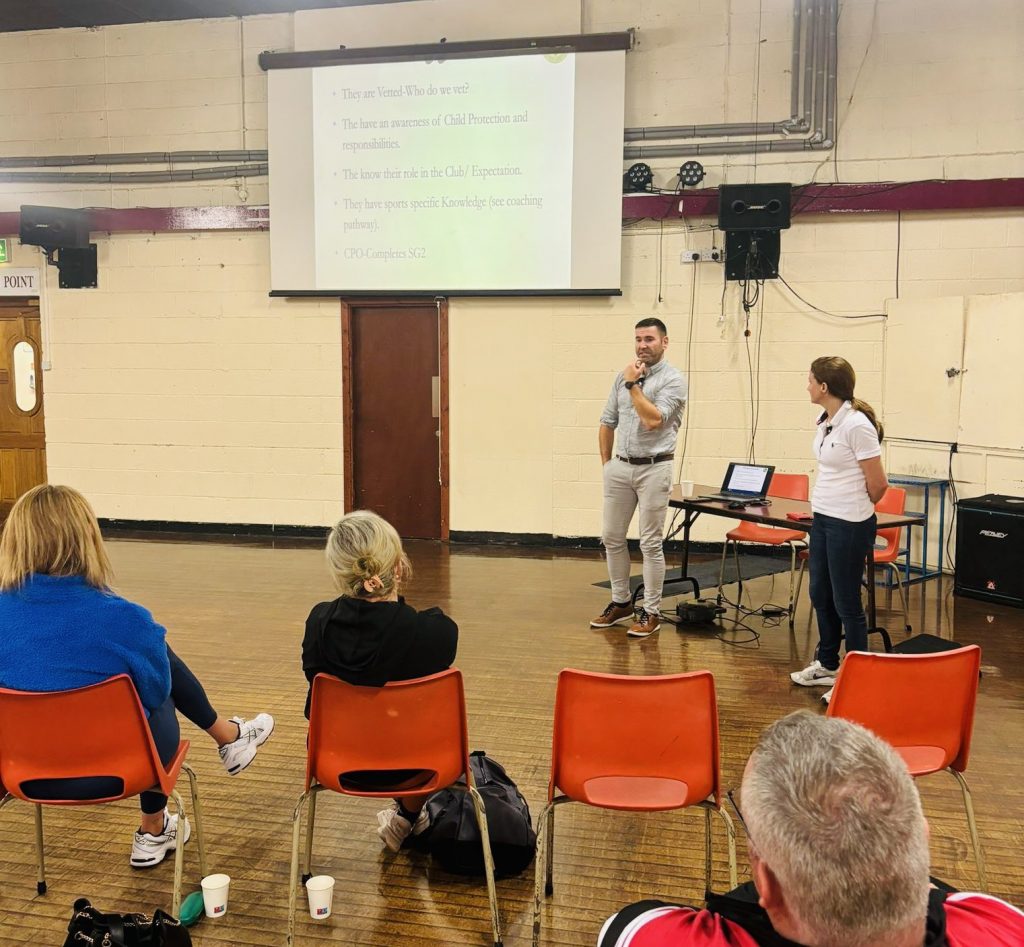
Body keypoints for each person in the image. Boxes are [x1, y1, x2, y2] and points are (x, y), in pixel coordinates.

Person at [0, 485, 274, 869]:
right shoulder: (125, 618)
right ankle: (154, 827)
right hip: (122, 769)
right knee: (157, 685)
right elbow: (158, 691)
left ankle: (229, 740)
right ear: (87, 537)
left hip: (22, 771)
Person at [600, 712, 1024, 947]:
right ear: (922, 841)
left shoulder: (665, 938)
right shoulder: (1001, 925)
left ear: (767, 884)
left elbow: (624, 925)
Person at [301, 509, 458, 851]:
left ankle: (406, 817)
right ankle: (408, 813)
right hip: (420, 766)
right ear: (397, 568)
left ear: (341, 574)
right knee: (421, 726)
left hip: (339, 761)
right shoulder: (435, 633)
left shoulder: (318, 624)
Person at [791, 356, 888, 704]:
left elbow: (879, 484)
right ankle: (828, 664)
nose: (806, 386)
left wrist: (855, 506)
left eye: (810, 380)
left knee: (846, 600)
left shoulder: (857, 425)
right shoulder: (826, 421)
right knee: (820, 593)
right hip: (824, 519)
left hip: (850, 523)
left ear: (824, 386)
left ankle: (857, 678)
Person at [592, 318, 687, 639]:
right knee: (611, 537)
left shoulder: (673, 380)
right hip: (620, 467)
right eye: (638, 339)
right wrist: (607, 465)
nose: (642, 345)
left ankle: (651, 611)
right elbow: (607, 422)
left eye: (649, 339)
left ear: (664, 342)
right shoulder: (623, 376)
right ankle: (621, 602)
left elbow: (653, 420)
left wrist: (633, 386)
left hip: (655, 468)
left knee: (650, 542)